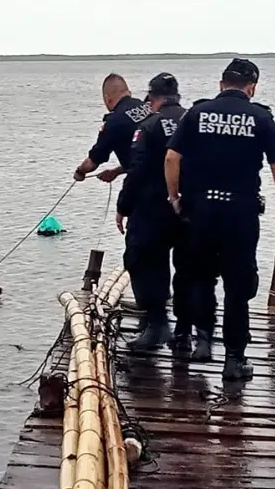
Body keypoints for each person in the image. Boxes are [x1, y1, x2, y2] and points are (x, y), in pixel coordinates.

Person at [164, 58, 275, 381]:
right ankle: (234, 360)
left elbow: (171, 157)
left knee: (201, 276)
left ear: (222, 84)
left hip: (201, 209)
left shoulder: (197, 113)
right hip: (240, 211)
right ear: (252, 87)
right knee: (238, 285)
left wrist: (174, 196)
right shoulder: (261, 117)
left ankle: (203, 341)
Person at [115, 72, 195, 352]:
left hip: (152, 209)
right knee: (187, 269)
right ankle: (185, 333)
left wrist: (122, 207)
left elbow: (136, 171)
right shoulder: (193, 119)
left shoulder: (148, 127)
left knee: (143, 262)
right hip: (189, 209)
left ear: (152, 99)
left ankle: (157, 324)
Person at [74, 73, 153, 183]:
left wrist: (80, 172)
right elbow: (147, 156)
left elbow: (92, 163)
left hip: (143, 183)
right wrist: (116, 171)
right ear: (128, 93)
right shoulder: (148, 107)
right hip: (167, 176)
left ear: (107, 98)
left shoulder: (114, 122)